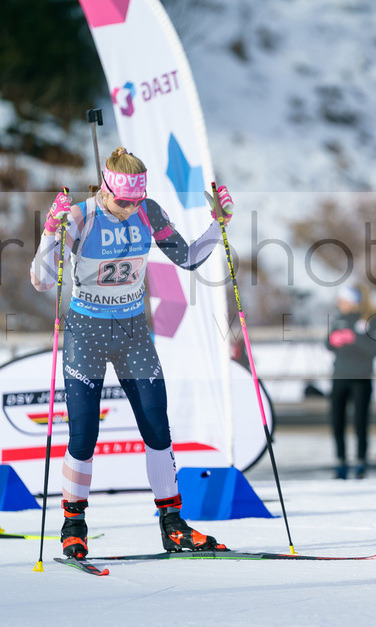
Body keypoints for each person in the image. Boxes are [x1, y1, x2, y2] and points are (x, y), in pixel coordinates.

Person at [29, 146, 234, 559]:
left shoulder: (147, 211)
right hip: (86, 332)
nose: (129, 209)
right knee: (84, 434)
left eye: (136, 200)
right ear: (105, 189)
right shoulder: (81, 216)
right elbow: (41, 279)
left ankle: (172, 525)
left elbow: (190, 257)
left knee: (157, 427)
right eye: (123, 201)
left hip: (133, 333)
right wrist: (50, 233)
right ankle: (74, 524)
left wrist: (219, 224)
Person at [325, 284, 376, 480]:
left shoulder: (372, 321)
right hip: (340, 377)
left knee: (360, 421)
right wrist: (334, 340)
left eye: (342, 301)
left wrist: (354, 339)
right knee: (337, 421)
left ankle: (361, 461)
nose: (339, 304)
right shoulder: (339, 319)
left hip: (361, 378)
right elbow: (328, 343)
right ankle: (340, 461)